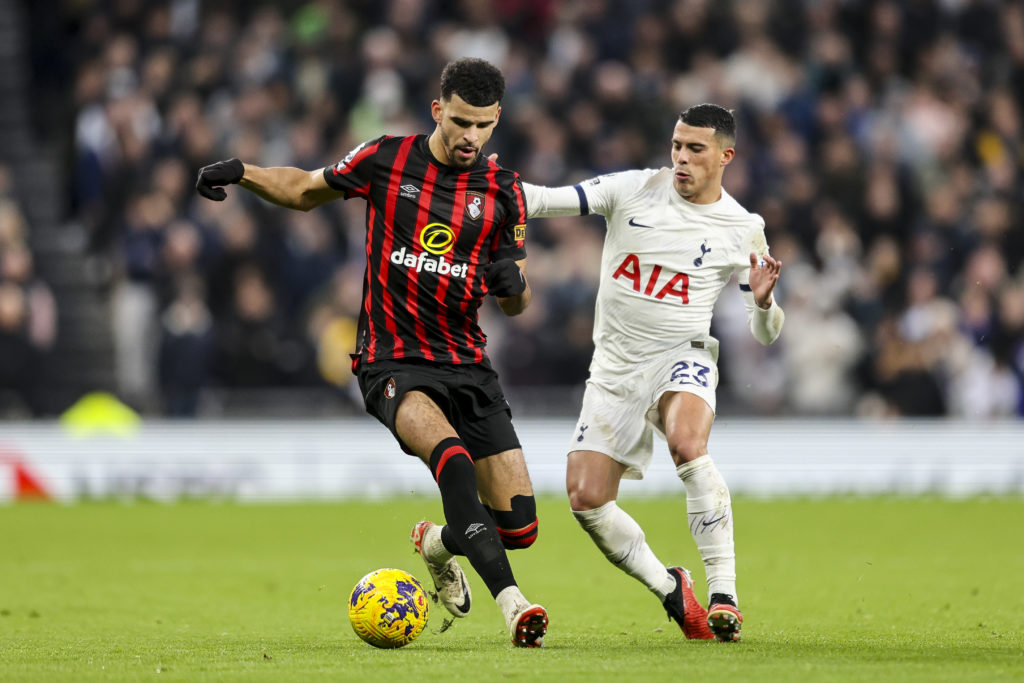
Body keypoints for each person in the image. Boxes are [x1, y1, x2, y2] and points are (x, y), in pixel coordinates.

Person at [196, 58, 548, 648]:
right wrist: (243, 172)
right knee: (453, 462)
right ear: (438, 110)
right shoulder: (387, 158)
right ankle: (515, 607)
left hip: (468, 363)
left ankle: (437, 544)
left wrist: (515, 291)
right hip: (392, 361)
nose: (470, 137)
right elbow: (306, 189)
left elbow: (518, 299)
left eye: (482, 126)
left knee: (520, 524)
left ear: (496, 121)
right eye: (460, 121)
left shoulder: (505, 191)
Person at [523, 104, 784, 643]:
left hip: (682, 352)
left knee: (689, 445)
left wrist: (762, 303)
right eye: (676, 146)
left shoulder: (743, 227)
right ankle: (671, 587)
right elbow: (550, 200)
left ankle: (724, 595)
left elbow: (765, 334)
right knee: (586, 499)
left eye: (695, 149)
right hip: (615, 368)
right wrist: (484, 185)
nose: (681, 159)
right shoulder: (634, 188)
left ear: (725, 156)